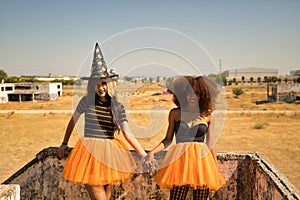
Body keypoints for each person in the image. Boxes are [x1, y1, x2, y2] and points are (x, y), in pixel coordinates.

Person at [58, 43, 147, 200]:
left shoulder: (117, 106)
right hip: (89, 153)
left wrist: (143, 154)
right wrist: (64, 143)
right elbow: (72, 122)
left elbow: (127, 133)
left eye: (103, 83)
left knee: (106, 195)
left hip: (110, 154)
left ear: (109, 84)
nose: (100, 88)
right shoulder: (86, 101)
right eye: (97, 84)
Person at [145, 76, 225, 200]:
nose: (192, 96)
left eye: (196, 93)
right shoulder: (175, 113)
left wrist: (215, 169)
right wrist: (151, 152)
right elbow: (167, 139)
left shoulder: (208, 115)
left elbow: (210, 144)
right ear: (183, 94)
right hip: (180, 162)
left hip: (202, 162)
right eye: (189, 93)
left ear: (202, 95)